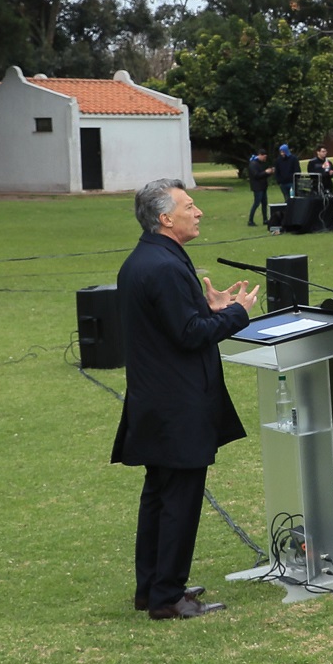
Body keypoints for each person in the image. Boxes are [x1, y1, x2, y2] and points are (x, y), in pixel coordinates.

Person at [112, 180, 258, 620]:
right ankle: (168, 598)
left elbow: (173, 324)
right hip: (176, 404)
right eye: (189, 206)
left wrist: (209, 310)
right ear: (164, 218)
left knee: (158, 496)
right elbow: (188, 336)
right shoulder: (163, 266)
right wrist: (236, 314)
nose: (199, 212)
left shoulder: (147, 260)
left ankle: (152, 587)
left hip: (156, 400)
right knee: (177, 502)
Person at [244, 147, 270, 226]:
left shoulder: (261, 163)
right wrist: (265, 172)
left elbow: (262, 174)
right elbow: (256, 175)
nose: (265, 159)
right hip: (257, 187)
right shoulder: (253, 164)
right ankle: (250, 220)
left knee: (264, 203)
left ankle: (265, 219)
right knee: (256, 203)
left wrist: (269, 172)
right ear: (260, 155)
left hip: (263, 186)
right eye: (264, 157)